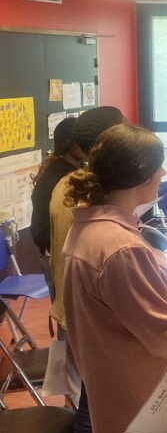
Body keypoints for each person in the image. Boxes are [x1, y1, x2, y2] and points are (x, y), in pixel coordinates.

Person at [61, 124, 167, 433]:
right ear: (142, 176)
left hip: (121, 398)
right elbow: (165, 334)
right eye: (159, 167)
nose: (164, 174)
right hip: (150, 407)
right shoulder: (119, 248)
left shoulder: (89, 232)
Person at [47, 106, 125, 433]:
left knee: (91, 409)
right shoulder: (91, 191)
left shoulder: (68, 184)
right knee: (94, 416)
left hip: (73, 309)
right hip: (90, 317)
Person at [29, 116, 80, 297]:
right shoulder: (63, 177)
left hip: (53, 250)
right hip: (56, 253)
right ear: (69, 145)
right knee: (65, 309)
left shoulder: (59, 168)